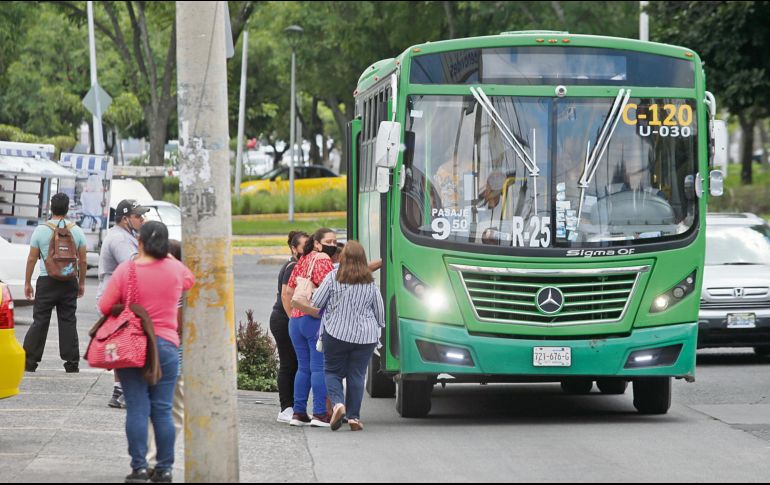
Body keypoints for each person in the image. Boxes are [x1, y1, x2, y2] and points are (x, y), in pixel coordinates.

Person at [98, 221, 195, 483]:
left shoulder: (126, 270)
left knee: (137, 409)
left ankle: (139, 468)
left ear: (139, 242)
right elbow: (190, 280)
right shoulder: (175, 268)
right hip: (165, 344)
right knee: (162, 409)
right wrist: (170, 258)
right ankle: (164, 469)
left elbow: (106, 305)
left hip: (133, 344)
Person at [294, 241, 385, 432]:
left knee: (332, 371)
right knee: (357, 375)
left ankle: (338, 404)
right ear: (362, 259)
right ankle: (354, 417)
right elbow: (379, 311)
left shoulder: (333, 277)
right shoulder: (369, 281)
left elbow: (317, 302)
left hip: (336, 333)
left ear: (342, 257)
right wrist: (377, 328)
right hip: (365, 337)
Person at [23, 193, 88, 373]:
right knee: (68, 320)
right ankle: (71, 362)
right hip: (69, 281)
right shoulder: (77, 231)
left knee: (40, 320)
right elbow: (82, 261)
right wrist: (81, 283)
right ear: (67, 209)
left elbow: (31, 259)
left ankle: (30, 361)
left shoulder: (40, 230)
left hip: (47, 281)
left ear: (51, 208)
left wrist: (27, 282)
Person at [98, 199, 150, 409]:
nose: (142, 219)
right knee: (125, 345)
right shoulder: (119, 239)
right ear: (125, 218)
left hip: (120, 297)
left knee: (124, 345)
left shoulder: (127, 236)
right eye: (138, 216)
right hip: (116, 299)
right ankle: (122, 393)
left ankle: (120, 391)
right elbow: (135, 264)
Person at [285, 227, 337, 427]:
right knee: (318, 368)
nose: (332, 245)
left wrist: (294, 315)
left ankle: (298, 413)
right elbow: (329, 289)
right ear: (317, 242)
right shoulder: (323, 259)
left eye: (335, 242)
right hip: (313, 320)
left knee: (303, 368)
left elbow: (289, 292)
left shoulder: (302, 260)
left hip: (295, 320)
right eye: (329, 241)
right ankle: (319, 414)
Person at [145, 239, 186, 477]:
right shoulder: (179, 280)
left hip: (148, 346)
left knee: (152, 406)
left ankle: (148, 459)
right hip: (173, 348)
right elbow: (179, 321)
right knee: (173, 408)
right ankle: (160, 460)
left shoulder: (144, 275)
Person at [270, 231, 308, 423]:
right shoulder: (293, 266)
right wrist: (293, 319)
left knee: (294, 363)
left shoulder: (301, 264)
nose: (308, 249)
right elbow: (286, 295)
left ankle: (292, 406)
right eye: (304, 246)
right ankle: (286, 408)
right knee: (288, 363)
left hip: (287, 319)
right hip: (283, 319)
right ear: (294, 248)